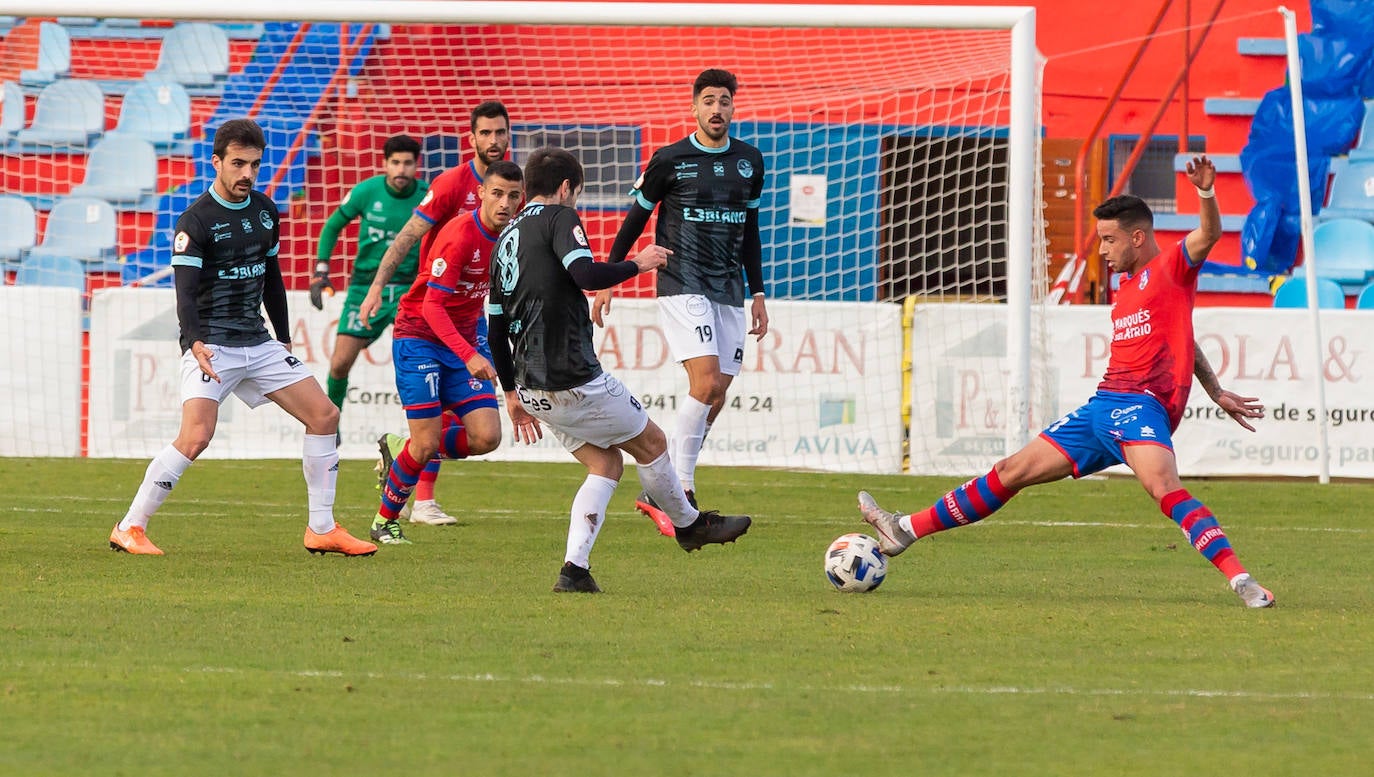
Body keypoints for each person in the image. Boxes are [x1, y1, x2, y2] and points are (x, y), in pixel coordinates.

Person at [857, 156, 1276, 609]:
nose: (1102, 250)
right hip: (1104, 406)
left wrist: (1207, 193)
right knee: (1009, 472)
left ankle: (1242, 581)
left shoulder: (1171, 268)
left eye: (1110, 240)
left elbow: (1209, 234)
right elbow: (1184, 340)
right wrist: (1215, 391)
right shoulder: (1128, 284)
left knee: (1164, 487)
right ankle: (904, 529)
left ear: (1138, 236)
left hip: (1141, 405)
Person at [488, 147, 751, 593]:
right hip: (571, 378)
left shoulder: (505, 236)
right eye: (577, 194)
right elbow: (587, 276)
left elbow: (495, 327)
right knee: (652, 443)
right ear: (567, 188)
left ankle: (574, 571)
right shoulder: (560, 218)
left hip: (532, 386)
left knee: (606, 464)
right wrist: (639, 263)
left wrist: (512, 394)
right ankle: (690, 526)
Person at [109, 118, 377, 557]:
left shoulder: (266, 211)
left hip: (259, 342)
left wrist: (284, 337)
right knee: (196, 436)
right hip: (212, 345)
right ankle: (130, 527)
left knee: (325, 415)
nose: (247, 174)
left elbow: (272, 278)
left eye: (254, 164)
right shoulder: (195, 221)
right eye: (237, 164)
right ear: (216, 162)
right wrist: (193, 343)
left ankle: (322, 528)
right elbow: (185, 295)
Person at [590, 69, 768, 534]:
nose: (716, 109)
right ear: (693, 107)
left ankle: (659, 487)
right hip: (682, 280)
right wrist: (609, 277)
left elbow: (751, 232)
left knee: (718, 390)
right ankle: (678, 486)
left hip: (729, 288)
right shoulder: (670, 159)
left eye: (724, 101)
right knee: (706, 380)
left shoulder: (750, 161)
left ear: (733, 108)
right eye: (708, 100)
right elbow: (635, 220)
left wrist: (759, 293)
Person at [359, 101, 513, 526]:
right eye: (486, 133)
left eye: (501, 132)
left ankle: (409, 459)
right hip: (431, 313)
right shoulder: (451, 184)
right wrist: (375, 287)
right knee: (436, 419)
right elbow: (408, 235)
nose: (494, 141)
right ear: (473, 139)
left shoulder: (512, 188)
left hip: (471, 314)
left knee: (479, 432)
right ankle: (421, 498)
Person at [309, 134, 428, 430]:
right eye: (395, 163)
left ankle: (430, 430)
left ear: (417, 165)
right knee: (339, 363)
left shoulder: (428, 196)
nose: (401, 170)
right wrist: (321, 270)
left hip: (410, 290)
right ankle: (329, 428)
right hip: (365, 289)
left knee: (425, 362)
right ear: (385, 164)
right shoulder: (367, 191)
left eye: (408, 163)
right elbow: (332, 226)